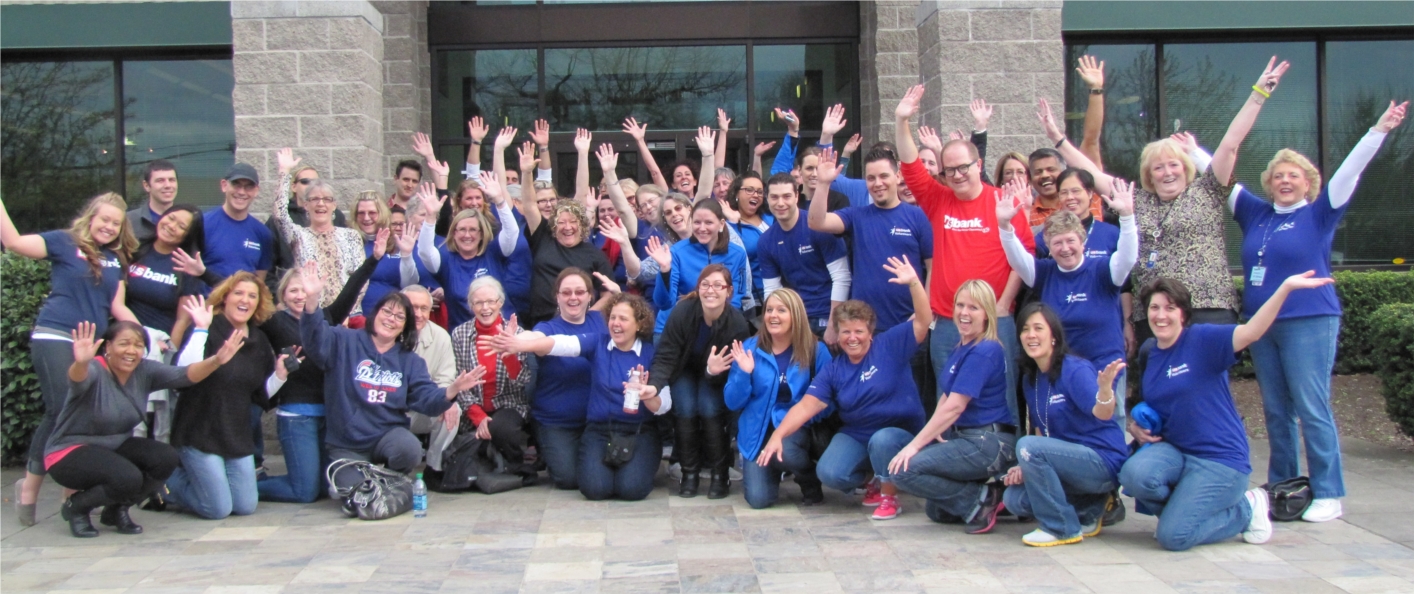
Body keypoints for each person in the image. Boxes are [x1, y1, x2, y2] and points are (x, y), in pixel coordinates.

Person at [1231, 99, 1407, 523]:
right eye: (1278, 176)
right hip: (1263, 325)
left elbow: (1351, 169)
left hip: (1309, 320)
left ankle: (1328, 491)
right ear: (1269, 183)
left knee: (1311, 406)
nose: (1285, 181)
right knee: (1276, 410)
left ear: (1308, 183)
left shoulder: (1320, 213)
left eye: (1294, 175)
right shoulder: (1257, 214)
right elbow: (1218, 173)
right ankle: (1284, 486)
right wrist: (1188, 148)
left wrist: (1378, 130)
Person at [1037, 57, 1295, 345]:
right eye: (1158, 167)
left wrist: (1258, 95)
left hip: (1206, 307)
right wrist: (1057, 137)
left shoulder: (1208, 189)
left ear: (1185, 167)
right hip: (1154, 313)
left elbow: (1230, 143)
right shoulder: (1135, 198)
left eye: (1173, 165)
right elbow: (1092, 173)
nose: (1167, 172)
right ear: (1149, 174)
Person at [1120, 273, 1332, 551]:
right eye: (1154, 307)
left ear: (1183, 314)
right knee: (1134, 475)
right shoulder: (1151, 351)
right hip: (1176, 452)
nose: (1161, 316)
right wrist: (1135, 424)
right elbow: (1149, 402)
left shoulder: (1203, 340)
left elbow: (1252, 331)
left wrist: (1285, 287)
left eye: (1170, 308)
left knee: (1174, 538)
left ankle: (1247, 508)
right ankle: (1183, 514)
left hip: (1220, 459)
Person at [295, 268, 484, 514]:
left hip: (386, 435)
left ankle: (385, 478)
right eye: (387, 311)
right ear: (375, 314)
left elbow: (426, 399)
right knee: (357, 494)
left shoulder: (409, 361)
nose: (391, 319)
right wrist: (311, 302)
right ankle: (376, 481)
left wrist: (452, 390)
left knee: (409, 449)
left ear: (405, 326)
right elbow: (314, 341)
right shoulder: (344, 340)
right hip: (347, 442)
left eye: (399, 317)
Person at [895, 84, 1030, 423]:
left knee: (1002, 399)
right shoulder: (938, 199)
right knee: (949, 403)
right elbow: (911, 165)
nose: (956, 175)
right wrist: (902, 120)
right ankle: (954, 467)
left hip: (995, 321)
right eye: (949, 169)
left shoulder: (1003, 202)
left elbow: (1024, 258)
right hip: (947, 322)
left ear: (978, 163)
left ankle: (1003, 470)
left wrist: (1002, 306)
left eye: (963, 167)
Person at [2, 191, 139, 527]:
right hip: (55, 335)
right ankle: (30, 488)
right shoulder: (64, 242)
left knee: (79, 414)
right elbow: (15, 243)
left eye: (115, 223)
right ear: (91, 217)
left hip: (89, 346)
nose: (108, 226)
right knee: (61, 408)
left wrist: (144, 336)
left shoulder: (116, 259)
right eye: (104, 219)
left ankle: (69, 493)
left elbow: (117, 307)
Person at [760, 256, 930, 519]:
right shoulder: (835, 369)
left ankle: (889, 496)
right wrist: (777, 436)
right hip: (860, 434)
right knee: (830, 473)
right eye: (845, 332)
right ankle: (873, 479)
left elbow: (923, 320)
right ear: (836, 335)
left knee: (882, 440)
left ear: (870, 332)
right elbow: (806, 405)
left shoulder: (890, 345)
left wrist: (914, 284)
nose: (852, 338)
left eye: (859, 331)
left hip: (900, 432)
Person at [46, 320, 241, 537]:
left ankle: (116, 509)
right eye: (124, 344)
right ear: (108, 347)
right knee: (128, 477)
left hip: (114, 447)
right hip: (68, 452)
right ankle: (77, 507)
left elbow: (184, 375)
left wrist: (216, 361)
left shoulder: (144, 371)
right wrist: (81, 362)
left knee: (165, 457)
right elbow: (77, 379)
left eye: (138, 345)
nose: (131, 350)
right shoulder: (93, 369)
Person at [480, 293, 669, 502]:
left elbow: (664, 405)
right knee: (595, 490)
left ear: (639, 325)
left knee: (631, 490)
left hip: (640, 431)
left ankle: (637, 467)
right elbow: (562, 343)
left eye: (623, 319)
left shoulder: (652, 353)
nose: (616, 323)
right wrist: (521, 345)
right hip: (600, 430)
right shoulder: (598, 342)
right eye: (613, 317)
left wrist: (646, 395)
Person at [999, 176, 1138, 425]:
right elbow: (1017, 258)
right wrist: (1004, 226)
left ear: (1082, 242)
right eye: (1057, 243)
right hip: (1061, 369)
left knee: (1107, 425)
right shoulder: (1044, 272)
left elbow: (1127, 258)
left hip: (1105, 366)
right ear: (1049, 248)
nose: (1065, 248)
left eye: (1071, 241)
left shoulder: (1103, 270)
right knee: (1070, 426)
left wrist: (1127, 217)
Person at [256, 245, 388, 503]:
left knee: (321, 488)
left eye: (304, 290)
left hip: (327, 416)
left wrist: (374, 258)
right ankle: (245, 486)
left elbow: (352, 288)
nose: (299, 296)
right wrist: (204, 273)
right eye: (293, 290)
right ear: (282, 294)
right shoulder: (273, 321)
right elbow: (242, 298)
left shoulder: (326, 317)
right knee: (305, 492)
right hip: (297, 415)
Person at [807, 146, 935, 414]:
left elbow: (932, 268)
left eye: (884, 176)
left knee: (914, 403)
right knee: (871, 405)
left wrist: (924, 312)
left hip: (908, 327)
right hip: (866, 332)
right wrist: (823, 185)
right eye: (871, 178)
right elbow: (817, 222)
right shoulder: (857, 216)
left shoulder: (917, 217)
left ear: (898, 176)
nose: (878, 183)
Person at [882, 279, 1016, 531]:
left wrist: (914, 446)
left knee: (902, 470)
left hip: (988, 441)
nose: (964, 313)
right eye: (960, 305)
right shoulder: (962, 346)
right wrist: (938, 430)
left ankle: (982, 501)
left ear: (987, 314)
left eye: (974, 308)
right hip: (967, 438)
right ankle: (988, 493)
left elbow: (955, 406)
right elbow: (946, 398)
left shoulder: (985, 350)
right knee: (938, 510)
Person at [1001, 302, 1129, 547]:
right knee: (1015, 499)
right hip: (1067, 464)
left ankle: (1062, 527)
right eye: (1025, 329)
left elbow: (1102, 413)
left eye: (1039, 328)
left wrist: (1105, 391)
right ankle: (1092, 507)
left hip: (1101, 460)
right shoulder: (1032, 379)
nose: (1031, 335)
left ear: (1053, 337)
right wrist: (1025, 464)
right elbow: (1042, 431)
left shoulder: (1075, 369)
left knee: (1029, 446)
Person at [161, 273, 283, 520]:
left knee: (245, 506)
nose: (245, 300)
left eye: (252, 296)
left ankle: (207, 481)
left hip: (234, 433)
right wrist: (201, 330)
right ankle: (165, 485)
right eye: (238, 293)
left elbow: (259, 394)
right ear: (225, 297)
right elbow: (183, 375)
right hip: (199, 431)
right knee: (217, 509)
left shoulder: (259, 340)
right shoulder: (209, 325)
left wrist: (280, 376)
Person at [650, 264, 753, 498]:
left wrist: (711, 372)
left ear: (729, 291)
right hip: (684, 370)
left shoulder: (736, 324)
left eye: (718, 285)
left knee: (709, 407)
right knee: (685, 407)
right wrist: (654, 386)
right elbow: (666, 355)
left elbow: (735, 374)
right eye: (705, 285)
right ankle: (689, 474)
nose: (711, 291)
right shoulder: (683, 312)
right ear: (698, 288)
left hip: (716, 376)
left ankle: (720, 474)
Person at [724, 289, 832, 508]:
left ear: (796, 315)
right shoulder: (749, 348)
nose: (773, 315)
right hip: (758, 432)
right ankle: (772, 470)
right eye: (769, 310)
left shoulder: (816, 350)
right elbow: (732, 402)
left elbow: (829, 402)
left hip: (797, 429)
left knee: (788, 451)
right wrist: (744, 374)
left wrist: (799, 418)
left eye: (781, 310)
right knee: (758, 500)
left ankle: (809, 481)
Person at [450, 277, 536, 483]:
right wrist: (478, 417)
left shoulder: (517, 334)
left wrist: (509, 351)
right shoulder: (459, 334)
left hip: (508, 403)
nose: (485, 307)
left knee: (501, 429)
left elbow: (522, 381)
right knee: (470, 438)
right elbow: (457, 380)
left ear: (500, 303)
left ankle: (516, 468)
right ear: (471, 306)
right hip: (472, 406)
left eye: (491, 301)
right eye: (478, 303)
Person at [531, 268, 610, 490]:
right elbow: (535, 339)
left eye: (579, 292)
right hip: (557, 422)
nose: (573, 298)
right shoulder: (547, 327)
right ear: (557, 296)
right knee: (569, 480)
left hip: (596, 422)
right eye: (566, 293)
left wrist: (615, 291)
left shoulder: (601, 321)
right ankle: (549, 452)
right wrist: (519, 340)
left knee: (603, 472)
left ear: (589, 296)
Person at [414, 173, 523, 328]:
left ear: (481, 233)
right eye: (462, 230)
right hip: (463, 338)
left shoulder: (494, 251)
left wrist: (499, 200)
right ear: (454, 233)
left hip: (502, 331)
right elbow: (424, 251)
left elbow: (512, 232)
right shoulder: (446, 259)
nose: (467, 235)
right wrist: (430, 217)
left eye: (473, 230)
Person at [758, 172, 851, 342]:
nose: (780, 203)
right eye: (774, 197)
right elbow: (771, 290)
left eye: (786, 196)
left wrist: (834, 323)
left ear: (796, 196)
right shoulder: (766, 241)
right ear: (767, 199)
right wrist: (772, 324)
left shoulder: (818, 227)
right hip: (795, 318)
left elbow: (842, 277)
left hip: (827, 314)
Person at [273, 148, 367, 312]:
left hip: (349, 317)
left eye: (326, 199)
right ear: (306, 205)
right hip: (312, 315)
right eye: (314, 199)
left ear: (334, 205)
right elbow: (280, 216)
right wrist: (284, 172)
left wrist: (345, 312)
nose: (321, 204)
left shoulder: (351, 236)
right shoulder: (299, 236)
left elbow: (361, 279)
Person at [647, 198, 750, 336]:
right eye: (697, 222)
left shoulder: (737, 254)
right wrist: (665, 270)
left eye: (708, 222)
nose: (702, 228)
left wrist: (716, 324)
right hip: (676, 330)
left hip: (719, 327)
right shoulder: (677, 252)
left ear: (721, 224)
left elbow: (736, 297)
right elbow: (664, 303)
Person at [403, 284, 462, 483]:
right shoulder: (386, 334)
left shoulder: (440, 337)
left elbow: (445, 379)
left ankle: (434, 467)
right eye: (412, 307)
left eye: (423, 308)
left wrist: (446, 401)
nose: (418, 314)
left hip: (423, 408)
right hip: (389, 410)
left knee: (453, 409)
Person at [126, 204, 207, 348]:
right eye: (171, 218)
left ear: (188, 235)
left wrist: (171, 352)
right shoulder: (136, 249)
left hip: (159, 345)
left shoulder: (187, 265)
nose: (172, 226)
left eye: (182, 227)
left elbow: (183, 320)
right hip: (125, 337)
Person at [265, 161, 350, 293]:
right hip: (293, 295)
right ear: (293, 186)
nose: (311, 185)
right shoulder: (281, 220)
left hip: (330, 293)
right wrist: (278, 298)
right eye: (305, 181)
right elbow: (268, 266)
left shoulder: (335, 215)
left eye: (315, 182)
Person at [202, 163, 273, 282]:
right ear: (224, 185)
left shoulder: (263, 233)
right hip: (209, 299)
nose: (241, 192)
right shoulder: (203, 224)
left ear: (256, 191)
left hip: (245, 300)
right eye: (236, 185)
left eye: (248, 187)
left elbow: (259, 282)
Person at [725, 172, 773, 311]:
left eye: (759, 191)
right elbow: (732, 256)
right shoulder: (728, 225)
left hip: (780, 290)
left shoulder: (771, 218)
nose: (755, 195)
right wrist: (733, 223)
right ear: (736, 194)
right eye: (749, 190)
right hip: (756, 298)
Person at [127, 160, 179, 244]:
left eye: (172, 180)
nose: (168, 185)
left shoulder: (187, 222)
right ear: (146, 186)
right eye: (160, 180)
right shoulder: (129, 221)